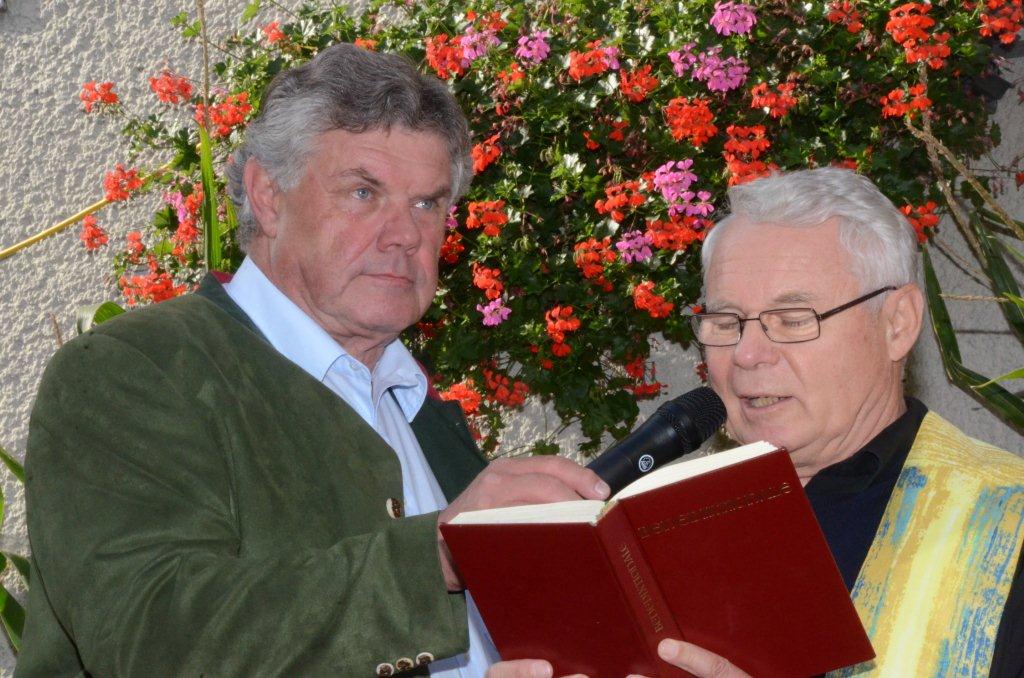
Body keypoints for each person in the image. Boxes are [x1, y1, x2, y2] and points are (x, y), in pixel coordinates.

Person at [18, 44, 610, 677]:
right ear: (268, 196)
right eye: (363, 192)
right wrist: (436, 556)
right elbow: (156, 638)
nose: (405, 234)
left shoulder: (421, 409)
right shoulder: (133, 370)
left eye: (426, 203)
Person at [490, 167, 1023, 678]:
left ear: (897, 323)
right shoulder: (662, 529)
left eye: (792, 320)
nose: (746, 355)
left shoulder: (1008, 519)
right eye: (726, 322)